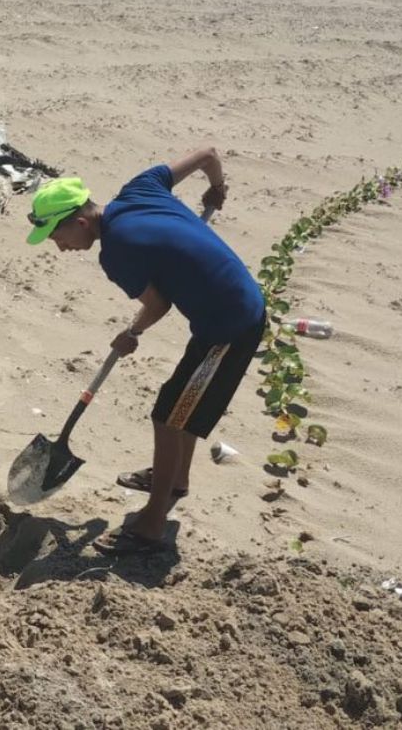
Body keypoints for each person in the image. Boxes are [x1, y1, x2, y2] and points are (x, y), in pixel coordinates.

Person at [24, 147, 264, 555]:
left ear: (81, 222)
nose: (59, 247)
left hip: (230, 325)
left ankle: (152, 526)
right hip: (222, 309)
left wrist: (131, 333)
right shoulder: (139, 188)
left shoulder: (117, 252)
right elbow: (207, 155)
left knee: (168, 416)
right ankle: (176, 481)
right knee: (179, 407)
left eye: (57, 237)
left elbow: (158, 305)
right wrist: (217, 189)